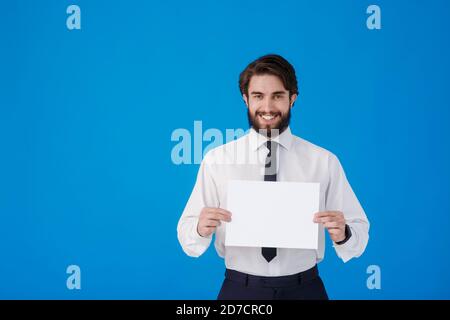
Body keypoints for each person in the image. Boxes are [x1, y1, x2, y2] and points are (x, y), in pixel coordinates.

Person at [177, 54, 370, 300]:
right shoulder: (217, 160)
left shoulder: (324, 161)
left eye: (277, 96)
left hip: (305, 289)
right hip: (240, 291)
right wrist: (199, 228)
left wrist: (344, 234)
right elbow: (187, 238)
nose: (267, 107)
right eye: (258, 96)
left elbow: (360, 234)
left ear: (292, 99)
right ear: (245, 99)